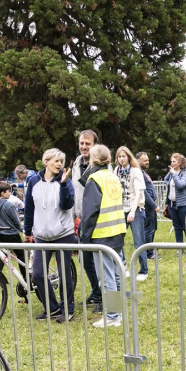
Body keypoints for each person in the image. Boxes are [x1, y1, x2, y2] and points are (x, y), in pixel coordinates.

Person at [25, 148, 78, 322]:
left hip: (63, 233)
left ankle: (67, 309)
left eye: (61, 161)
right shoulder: (33, 181)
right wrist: (27, 231)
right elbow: (29, 208)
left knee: (64, 275)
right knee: (38, 273)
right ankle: (52, 308)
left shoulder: (65, 181)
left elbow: (67, 204)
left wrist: (63, 184)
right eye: (55, 161)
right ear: (46, 161)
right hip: (41, 234)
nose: (59, 164)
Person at [79, 144, 126, 328]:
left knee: (106, 277)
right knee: (115, 274)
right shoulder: (112, 177)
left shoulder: (94, 179)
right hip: (117, 230)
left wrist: (85, 237)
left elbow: (90, 212)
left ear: (93, 159)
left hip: (102, 233)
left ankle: (113, 315)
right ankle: (119, 310)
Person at [72, 130, 103, 308]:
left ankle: (105, 296)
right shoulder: (76, 163)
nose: (84, 147)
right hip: (82, 218)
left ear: (94, 146)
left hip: (97, 218)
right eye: (82, 143)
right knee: (85, 258)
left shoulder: (100, 165)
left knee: (100, 259)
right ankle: (97, 291)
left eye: (87, 144)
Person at [113, 146, 148, 280]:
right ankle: (123, 266)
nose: (122, 159)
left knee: (139, 241)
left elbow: (139, 192)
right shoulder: (116, 170)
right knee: (118, 240)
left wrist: (133, 211)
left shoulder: (136, 171)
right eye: (119, 157)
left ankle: (143, 270)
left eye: (124, 156)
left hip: (135, 208)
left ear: (128, 157)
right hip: (121, 208)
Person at [0, 181, 27, 283]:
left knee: (2, 256)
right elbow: (16, 221)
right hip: (12, 234)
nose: (9, 193)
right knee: (21, 255)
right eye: (8, 191)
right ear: (2, 193)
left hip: (0, 234)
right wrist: (22, 230)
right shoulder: (8, 205)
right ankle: (26, 278)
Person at [163, 153, 186, 244]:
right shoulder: (172, 172)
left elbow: (180, 185)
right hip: (172, 204)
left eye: (174, 161)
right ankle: (180, 248)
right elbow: (166, 180)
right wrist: (172, 172)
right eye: (171, 161)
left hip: (184, 204)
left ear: (180, 162)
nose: (172, 163)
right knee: (177, 227)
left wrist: (174, 174)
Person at [137, 152, 159, 260]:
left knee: (153, 228)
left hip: (151, 205)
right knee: (148, 229)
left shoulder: (144, 172)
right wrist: (154, 205)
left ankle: (150, 249)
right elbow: (143, 192)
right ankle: (148, 253)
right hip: (148, 205)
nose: (147, 162)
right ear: (138, 161)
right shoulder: (139, 173)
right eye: (145, 160)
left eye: (148, 160)